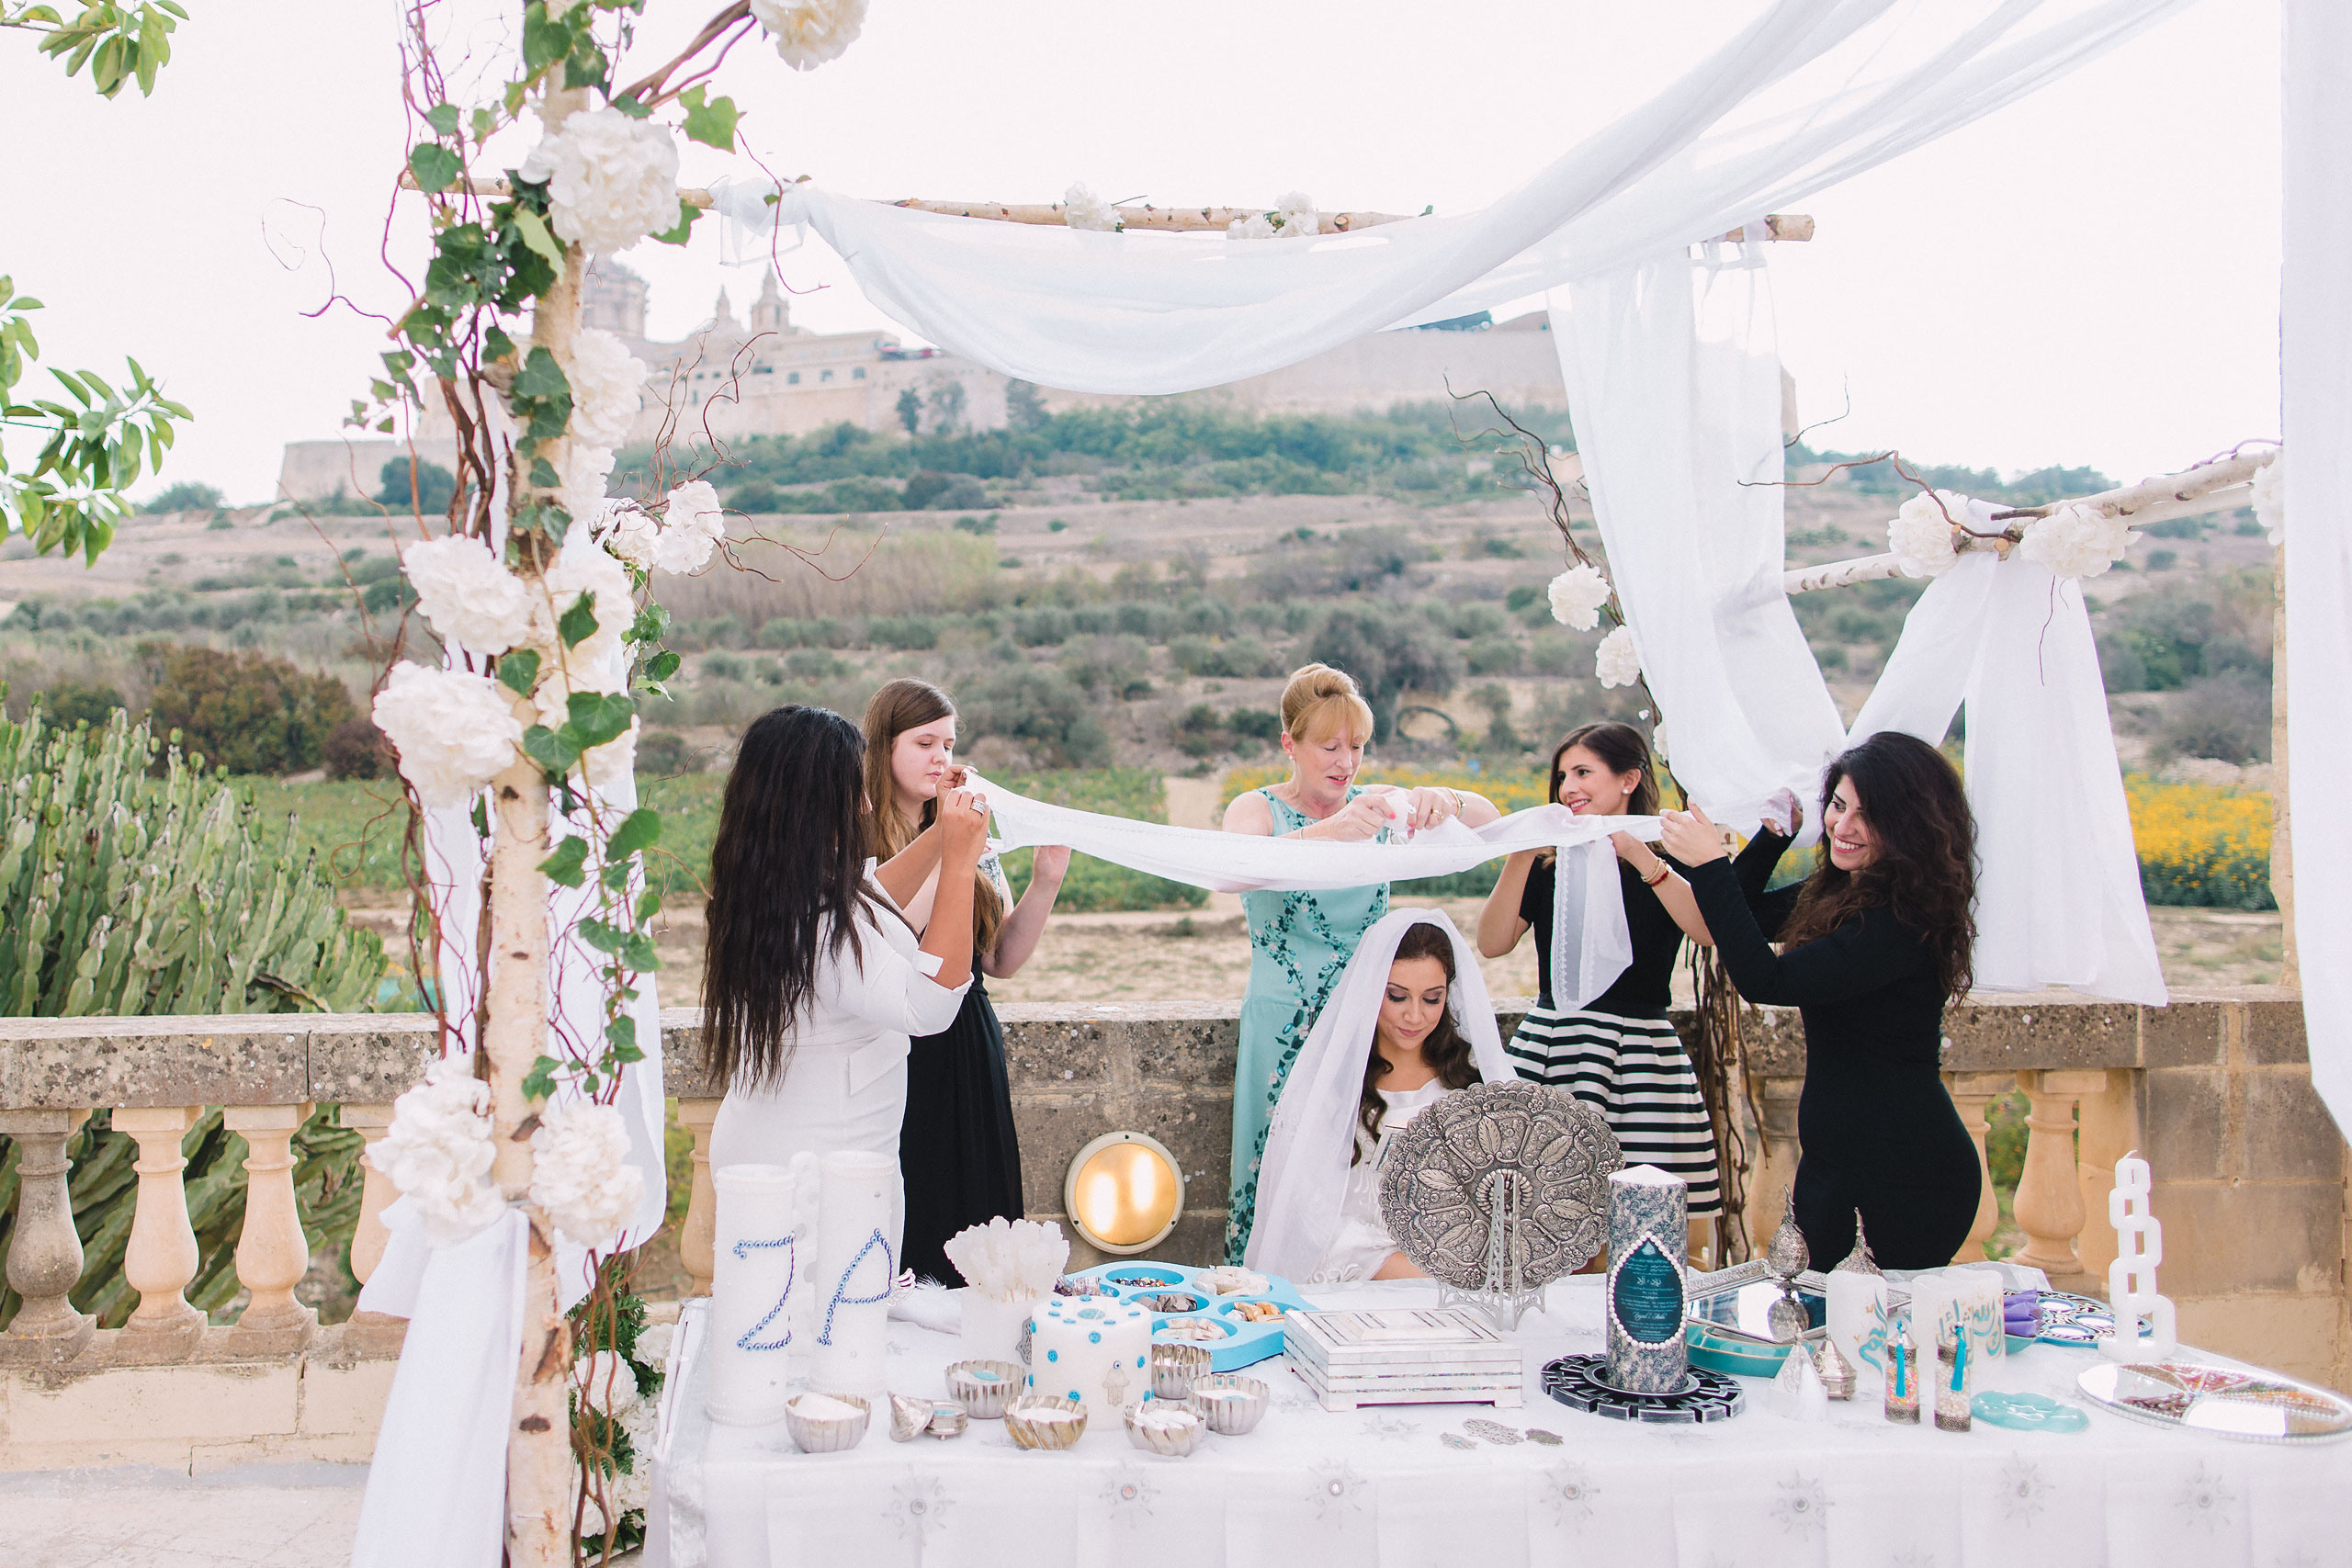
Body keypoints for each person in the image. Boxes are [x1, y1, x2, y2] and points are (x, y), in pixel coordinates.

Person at [1658, 730, 1982, 1270]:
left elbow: (1768, 981)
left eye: (1868, 814)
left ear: (1912, 826)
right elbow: (1741, 918)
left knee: (1875, 1338)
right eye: (1837, 805)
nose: (1843, 825)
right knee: (1819, 1327)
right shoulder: (1845, 891)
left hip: (1907, 1169)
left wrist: (1712, 864)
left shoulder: (1901, 921)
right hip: (1835, 1163)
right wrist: (1770, 839)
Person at [1217, 663, 1500, 1262]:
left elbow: (1493, 826)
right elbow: (1229, 868)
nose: (1346, 761)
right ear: (1290, 744)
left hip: (1366, 1025)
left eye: (1357, 747)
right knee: (1274, 1168)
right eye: (1330, 746)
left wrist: (1444, 799)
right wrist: (1334, 833)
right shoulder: (1259, 809)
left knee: (1349, 1175)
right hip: (1283, 1023)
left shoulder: (1380, 810)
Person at [701, 705, 989, 1260]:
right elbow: (928, 1007)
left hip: (789, 1144)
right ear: (815, 804)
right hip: (820, 1168)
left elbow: (871, 900)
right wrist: (958, 862)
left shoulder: (776, 886)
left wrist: (940, 829)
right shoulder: (814, 922)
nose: (863, 802)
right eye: (853, 789)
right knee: (828, 1329)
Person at [1475, 722, 1757, 1255]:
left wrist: (1641, 858)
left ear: (1629, 779)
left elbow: (1708, 930)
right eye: (1562, 775)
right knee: (1547, 1222)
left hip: (1640, 1059)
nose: (1567, 787)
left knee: (1653, 1230)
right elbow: (1492, 943)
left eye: (1583, 772)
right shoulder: (1550, 861)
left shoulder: (1668, 851)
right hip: (1556, 1050)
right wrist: (1521, 853)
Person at [860, 678, 1072, 1286]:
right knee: (918, 1209)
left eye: (948, 744)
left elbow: (999, 956)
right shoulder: (863, 838)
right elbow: (903, 936)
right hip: (900, 1041)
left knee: (979, 1210)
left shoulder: (967, 833)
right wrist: (949, 844)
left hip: (968, 1037)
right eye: (924, 742)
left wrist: (1046, 880)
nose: (941, 758)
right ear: (884, 747)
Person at [1244, 909, 1515, 1284]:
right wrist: (1404, 1270)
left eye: (1432, 999)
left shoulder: (1472, 1077)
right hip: (1364, 1278)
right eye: (1398, 997)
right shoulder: (1333, 1085)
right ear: (1372, 990)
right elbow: (1304, 1210)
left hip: (1461, 1274)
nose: (1415, 1016)